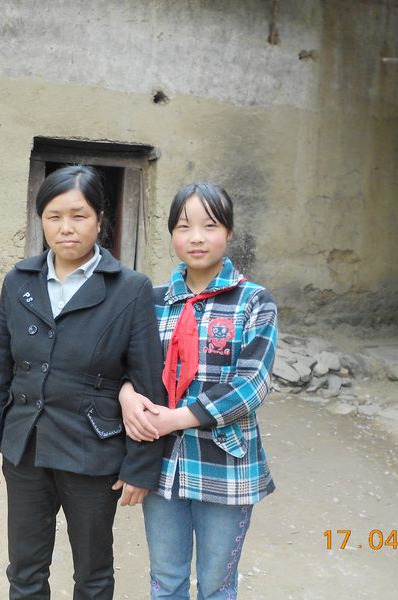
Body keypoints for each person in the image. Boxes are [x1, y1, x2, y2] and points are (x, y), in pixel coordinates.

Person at [0, 165, 166, 600]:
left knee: (93, 575)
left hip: (93, 453)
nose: (66, 228)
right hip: (26, 449)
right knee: (25, 571)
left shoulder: (130, 288)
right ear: (41, 220)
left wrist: (140, 465)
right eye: (54, 216)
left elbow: (148, 383)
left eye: (79, 216)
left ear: (100, 219)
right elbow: (0, 370)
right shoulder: (19, 281)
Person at [119, 182, 277, 600]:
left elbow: (252, 384)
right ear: (172, 233)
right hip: (163, 465)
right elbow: (129, 365)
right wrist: (126, 394)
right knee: (166, 580)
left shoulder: (254, 302)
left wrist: (176, 418)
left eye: (210, 226)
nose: (196, 237)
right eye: (184, 227)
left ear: (229, 232)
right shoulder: (152, 300)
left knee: (216, 585)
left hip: (226, 465)